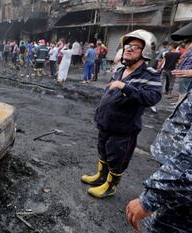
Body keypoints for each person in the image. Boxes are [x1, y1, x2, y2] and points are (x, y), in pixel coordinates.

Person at [126, 20, 192, 232]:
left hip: (179, 189)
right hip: (181, 196)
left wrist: (152, 197)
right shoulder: (123, 69)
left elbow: (191, 158)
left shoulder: (149, 74)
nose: (190, 49)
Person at [81, 29, 162, 198]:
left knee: (117, 158)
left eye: (135, 46)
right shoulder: (120, 70)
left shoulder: (149, 75)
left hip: (124, 129)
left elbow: (152, 98)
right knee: (103, 151)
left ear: (146, 51)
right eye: (127, 45)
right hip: (106, 123)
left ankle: (110, 186)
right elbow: (110, 93)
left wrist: (125, 87)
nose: (128, 49)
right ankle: (101, 177)